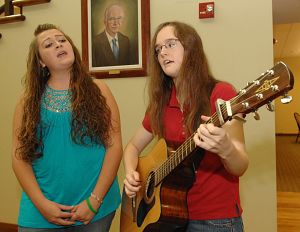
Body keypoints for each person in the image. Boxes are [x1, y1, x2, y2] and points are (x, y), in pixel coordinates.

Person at [123, 21, 249, 232]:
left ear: (191, 48)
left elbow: (241, 166)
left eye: (170, 44)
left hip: (214, 220)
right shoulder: (161, 102)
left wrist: (225, 147)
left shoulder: (221, 94)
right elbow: (132, 147)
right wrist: (130, 173)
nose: (163, 52)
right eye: (158, 49)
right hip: (165, 219)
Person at [12, 23, 122, 231]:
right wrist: (42, 205)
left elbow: (114, 146)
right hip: (41, 210)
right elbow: (19, 159)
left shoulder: (99, 89)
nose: (58, 44)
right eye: (48, 44)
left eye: (62, 40)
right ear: (41, 62)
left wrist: (94, 201)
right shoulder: (26, 101)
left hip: (94, 209)